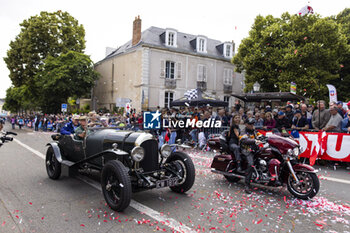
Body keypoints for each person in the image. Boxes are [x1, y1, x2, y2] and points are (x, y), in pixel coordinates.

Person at [239, 118, 261, 194]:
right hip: (246, 150)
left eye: (253, 124)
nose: (252, 125)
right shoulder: (243, 132)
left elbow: (261, 135)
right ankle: (247, 185)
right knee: (251, 164)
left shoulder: (254, 131)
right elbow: (244, 140)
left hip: (255, 149)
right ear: (246, 124)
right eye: (250, 124)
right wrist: (254, 141)